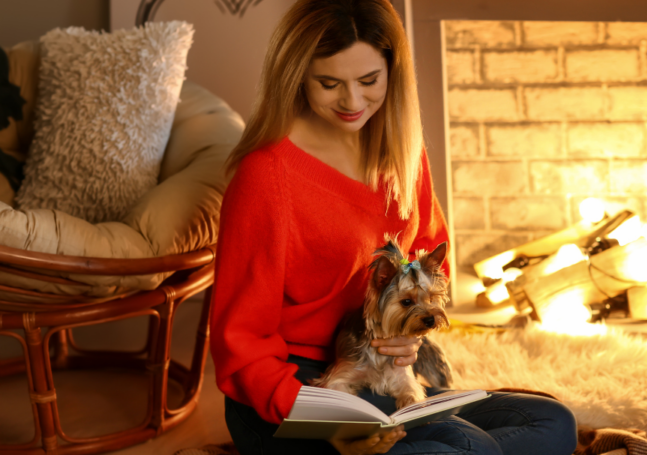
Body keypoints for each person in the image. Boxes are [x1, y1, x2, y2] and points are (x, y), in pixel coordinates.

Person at [209, 1, 578, 454]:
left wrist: (406, 336)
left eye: (369, 81)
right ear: (297, 76)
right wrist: (330, 422)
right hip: (298, 390)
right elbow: (240, 342)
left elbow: (426, 256)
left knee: (552, 420)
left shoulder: (400, 150)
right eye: (329, 83)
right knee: (462, 444)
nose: (353, 102)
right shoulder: (266, 176)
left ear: (391, 72)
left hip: (382, 370)